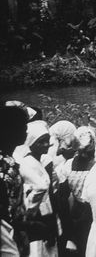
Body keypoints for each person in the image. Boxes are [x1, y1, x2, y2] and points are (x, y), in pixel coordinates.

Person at [17, 120, 58, 257]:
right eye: (41, 142)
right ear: (30, 143)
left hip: (46, 215)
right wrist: (32, 213)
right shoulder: (29, 164)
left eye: (47, 140)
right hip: (39, 217)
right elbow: (35, 192)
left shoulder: (39, 161)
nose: (46, 145)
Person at [57, 126, 96, 257]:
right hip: (86, 212)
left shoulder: (69, 165)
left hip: (84, 212)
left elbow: (63, 195)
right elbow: (63, 195)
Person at [0, 106, 29, 257]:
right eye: (22, 127)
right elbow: (5, 210)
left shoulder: (10, 159)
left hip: (17, 232)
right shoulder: (3, 166)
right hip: (8, 237)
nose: (26, 131)